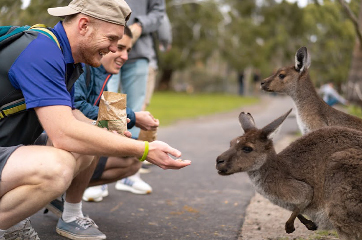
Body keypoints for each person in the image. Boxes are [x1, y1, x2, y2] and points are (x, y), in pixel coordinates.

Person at [0, 1, 191, 240]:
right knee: (57, 167)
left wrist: (110, 130)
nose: (118, 53)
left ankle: (67, 212)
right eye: (114, 41)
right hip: (14, 149)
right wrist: (140, 139)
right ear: (83, 26)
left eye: (126, 48)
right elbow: (67, 127)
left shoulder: (73, 60)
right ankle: (23, 217)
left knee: (97, 144)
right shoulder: (46, 52)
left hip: (12, 148)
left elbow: (74, 113)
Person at [73, 25, 156, 200]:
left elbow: (110, 121)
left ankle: (66, 195)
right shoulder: (82, 67)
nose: (125, 56)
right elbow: (75, 107)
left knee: (133, 161)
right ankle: (69, 202)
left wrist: (141, 143)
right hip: (46, 143)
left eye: (128, 50)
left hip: (72, 142)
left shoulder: (106, 74)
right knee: (96, 137)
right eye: (120, 48)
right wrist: (134, 117)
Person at [107, 0, 165, 140]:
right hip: (109, 49)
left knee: (135, 109)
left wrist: (141, 25)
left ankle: (130, 154)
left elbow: (158, 13)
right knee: (108, 102)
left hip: (139, 51)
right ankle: (108, 151)